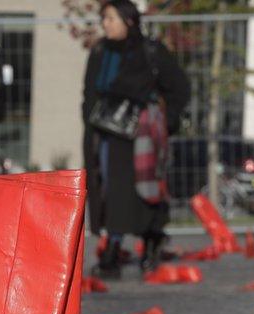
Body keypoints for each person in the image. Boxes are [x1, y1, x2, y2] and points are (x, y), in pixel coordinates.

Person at [82, 0, 190, 278]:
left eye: (110, 18)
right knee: (109, 193)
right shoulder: (99, 52)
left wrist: (166, 121)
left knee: (144, 191)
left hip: (140, 136)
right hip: (106, 133)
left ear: (128, 21)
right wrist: (89, 120)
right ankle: (113, 246)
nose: (105, 24)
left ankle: (149, 240)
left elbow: (179, 87)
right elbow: (90, 92)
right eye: (104, 19)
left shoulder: (150, 51)